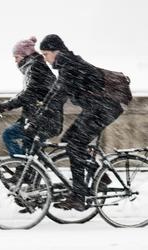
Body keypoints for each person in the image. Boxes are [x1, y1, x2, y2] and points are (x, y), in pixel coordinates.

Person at [39, 34, 124, 211]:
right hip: (98, 107)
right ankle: (101, 178)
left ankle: (79, 196)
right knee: (69, 140)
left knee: (75, 145)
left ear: (56, 51)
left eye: (46, 53)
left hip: (105, 107)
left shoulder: (69, 65)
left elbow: (59, 95)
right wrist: (42, 109)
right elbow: (55, 92)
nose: (45, 59)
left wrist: (41, 115)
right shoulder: (67, 63)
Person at [0, 36, 59, 157]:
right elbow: (28, 93)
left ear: (25, 56)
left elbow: (28, 95)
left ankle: (21, 168)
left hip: (41, 120)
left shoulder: (36, 68)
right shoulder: (35, 67)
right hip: (40, 118)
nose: (15, 61)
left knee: (9, 134)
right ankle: (27, 172)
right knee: (29, 153)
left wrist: (6, 106)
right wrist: (7, 104)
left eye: (16, 57)